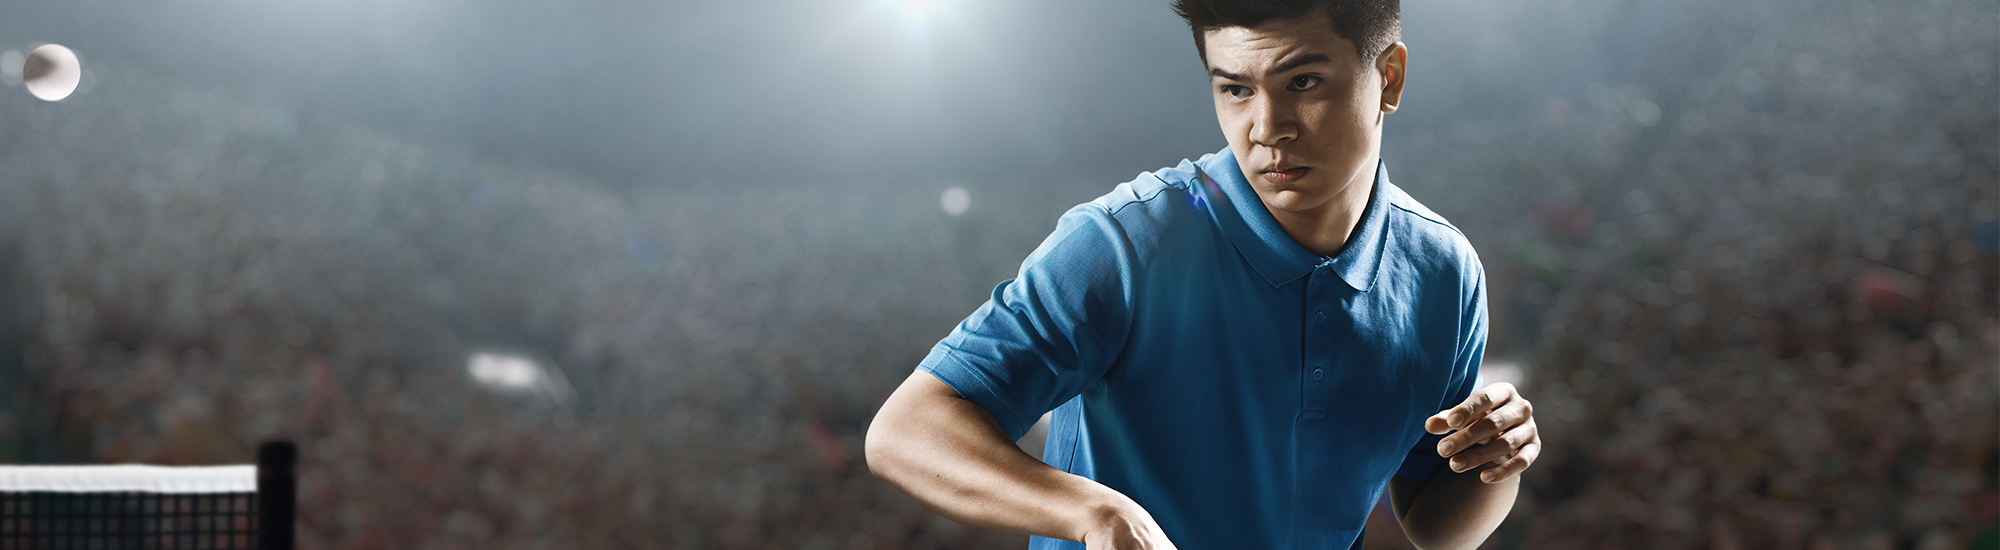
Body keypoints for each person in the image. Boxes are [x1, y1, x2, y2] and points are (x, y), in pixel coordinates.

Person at [865, 1, 1541, 548]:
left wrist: (1497, 467)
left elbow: (1433, 522)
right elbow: (907, 429)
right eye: (1236, 89)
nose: (1267, 127)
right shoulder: (1125, 243)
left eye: (1302, 82)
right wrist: (1091, 513)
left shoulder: (1445, 275)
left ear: (1388, 78)